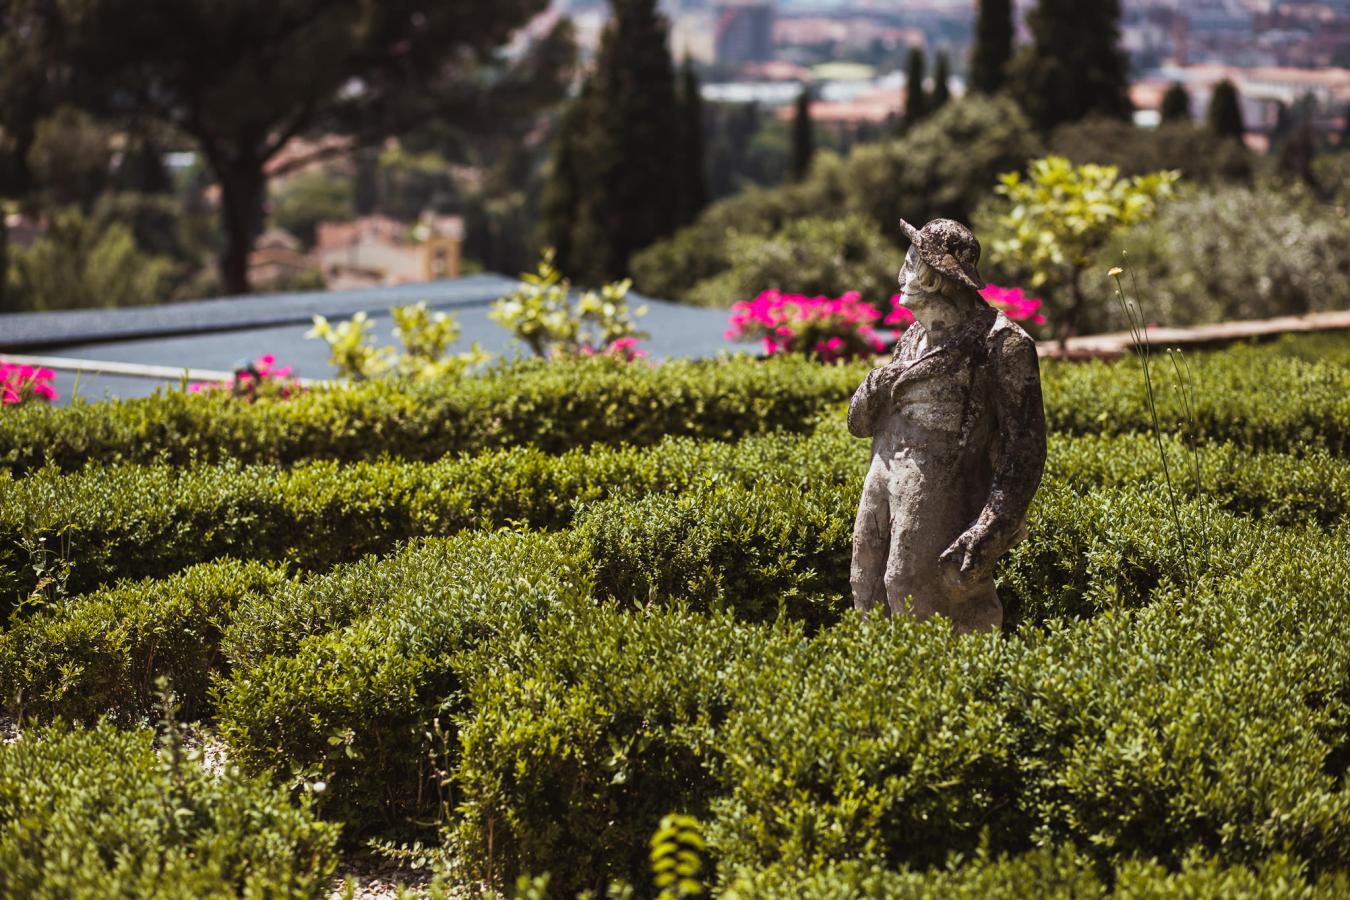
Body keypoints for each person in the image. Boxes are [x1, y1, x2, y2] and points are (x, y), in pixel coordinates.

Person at [847, 218, 1046, 632]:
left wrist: (992, 528)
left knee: (914, 589)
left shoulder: (1002, 343)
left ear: (934, 278)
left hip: (944, 483)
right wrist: (874, 384)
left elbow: (1023, 452)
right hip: (884, 474)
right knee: (867, 586)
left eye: (909, 265)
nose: (901, 276)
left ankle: (953, 688)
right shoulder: (913, 337)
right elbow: (860, 424)